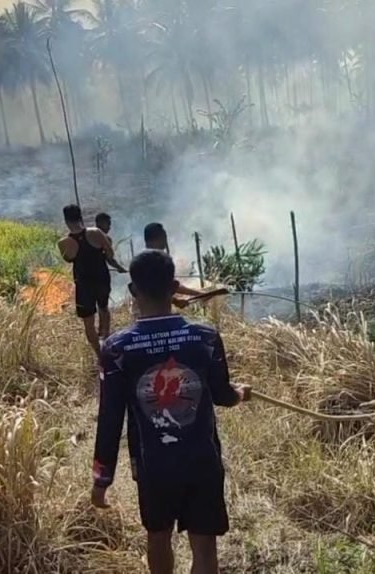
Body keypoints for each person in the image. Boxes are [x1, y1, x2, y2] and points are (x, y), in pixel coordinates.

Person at [92, 250, 250, 574]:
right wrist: (241, 395)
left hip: (154, 465)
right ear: (175, 287)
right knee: (205, 547)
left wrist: (101, 479)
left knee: (158, 537)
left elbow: (110, 418)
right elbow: (222, 395)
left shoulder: (118, 348)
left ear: (133, 291)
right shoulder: (204, 337)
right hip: (202, 460)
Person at [57, 204, 123, 355]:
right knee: (104, 309)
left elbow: (68, 259)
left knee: (88, 322)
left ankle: (99, 353)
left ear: (66, 220)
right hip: (101, 279)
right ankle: (106, 341)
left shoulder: (62, 243)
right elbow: (110, 254)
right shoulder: (96, 232)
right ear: (80, 217)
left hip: (83, 284)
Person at [142, 222, 213, 310]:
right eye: (164, 238)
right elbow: (166, 285)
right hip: (157, 314)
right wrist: (198, 294)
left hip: (143, 314)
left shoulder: (140, 260)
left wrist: (176, 300)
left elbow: (155, 289)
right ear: (158, 238)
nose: (165, 242)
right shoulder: (157, 260)